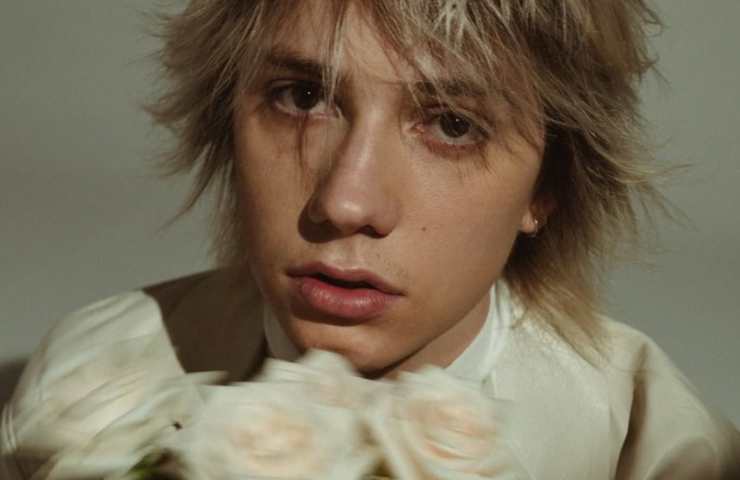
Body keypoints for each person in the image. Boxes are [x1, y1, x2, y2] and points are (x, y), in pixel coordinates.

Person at [2, 0, 739, 478]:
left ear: (547, 188)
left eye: (452, 125)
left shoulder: (652, 450)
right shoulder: (91, 387)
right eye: (301, 98)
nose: (346, 202)